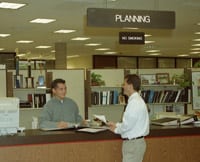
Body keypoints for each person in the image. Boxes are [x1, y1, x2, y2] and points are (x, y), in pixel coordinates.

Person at [108, 74, 149, 162]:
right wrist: (116, 124)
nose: (122, 86)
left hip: (133, 144)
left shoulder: (134, 103)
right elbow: (131, 123)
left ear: (130, 86)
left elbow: (127, 126)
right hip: (135, 144)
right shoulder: (137, 100)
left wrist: (115, 129)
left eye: (124, 84)